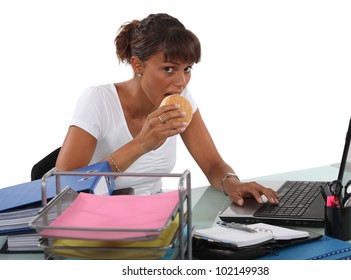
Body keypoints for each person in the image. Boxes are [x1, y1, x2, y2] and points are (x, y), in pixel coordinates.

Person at [56, 13, 279, 206]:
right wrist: (141, 144)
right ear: (137, 65)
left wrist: (233, 184)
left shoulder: (180, 99)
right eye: (169, 68)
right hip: (100, 220)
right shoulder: (98, 100)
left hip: (157, 216)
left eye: (187, 69)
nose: (181, 82)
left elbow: (212, 164)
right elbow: (64, 185)